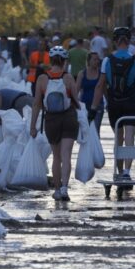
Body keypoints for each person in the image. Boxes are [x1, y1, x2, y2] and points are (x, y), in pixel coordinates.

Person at [89, 28, 135, 181]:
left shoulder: (107, 61)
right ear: (128, 41)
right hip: (130, 102)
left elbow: (100, 85)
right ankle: (127, 172)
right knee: (130, 136)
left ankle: (119, 170)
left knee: (119, 137)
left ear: (115, 42)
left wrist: (93, 108)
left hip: (114, 103)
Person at [30, 47, 81, 201]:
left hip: (51, 120)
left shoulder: (42, 79)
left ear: (50, 60)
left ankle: (57, 190)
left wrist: (33, 126)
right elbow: (76, 101)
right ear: (64, 61)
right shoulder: (68, 78)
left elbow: (37, 104)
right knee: (67, 156)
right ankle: (65, 188)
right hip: (68, 118)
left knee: (56, 157)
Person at [77, 51, 104, 132]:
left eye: (98, 59)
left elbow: (105, 90)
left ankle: (96, 144)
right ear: (89, 61)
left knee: (96, 129)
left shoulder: (101, 74)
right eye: (95, 59)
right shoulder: (82, 73)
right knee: (85, 130)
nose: (97, 61)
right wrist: (74, 104)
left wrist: (109, 103)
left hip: (98, 105)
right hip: (85, 105)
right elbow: (76, 90)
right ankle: (87, 145)